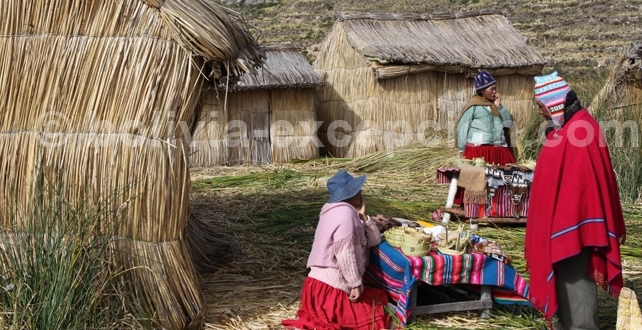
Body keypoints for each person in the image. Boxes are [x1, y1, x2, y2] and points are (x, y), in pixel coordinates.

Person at [524, 71, 626, 330]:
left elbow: (583, 187)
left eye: (541, 107)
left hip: (575, 227)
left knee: (576, 281)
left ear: (555, 104)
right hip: (565, 224)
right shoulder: (569, 128)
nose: (540, 113)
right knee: (565, 283)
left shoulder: (580, 130)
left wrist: (566, 227)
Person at [282, 170, 391, 329]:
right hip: (329, 287)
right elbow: (345, 253)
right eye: (356, 190)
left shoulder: (337, 210)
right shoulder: (344, 215)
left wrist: (365, 217)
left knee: (377, 299)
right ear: (348, 194)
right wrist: (355, 283)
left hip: (316, 286)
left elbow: (373, 240)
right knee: (375, 316)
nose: (360, 193)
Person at [455, 70, 516, 165]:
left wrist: (499, 107)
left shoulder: (496, 106)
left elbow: (508, 124)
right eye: (492, 89)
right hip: (478, 151)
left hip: (499, 151)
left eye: (495, 89)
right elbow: (462, 128)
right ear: (483, 91)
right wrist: (461, 150)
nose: (495, 92)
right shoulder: (473, 106)